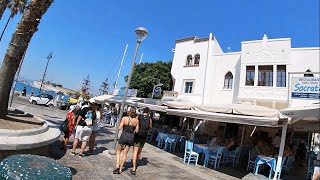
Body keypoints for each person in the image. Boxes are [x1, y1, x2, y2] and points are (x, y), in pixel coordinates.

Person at [113, 107, 139, 174]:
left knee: (118, 151)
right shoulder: (136, 121)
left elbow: (119, 127)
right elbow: (137, 131)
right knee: (125, 153)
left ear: (129, 112)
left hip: (124, 135)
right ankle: (121, 168)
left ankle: (117, 166)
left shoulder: (124, 118)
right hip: (131, 137)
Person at [132, 107, 152, 175]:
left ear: (143, 111)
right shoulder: (150, 119)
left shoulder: (139, 116)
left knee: (135, 151)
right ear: (148, 112)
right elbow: (150, 127)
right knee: (139, 152)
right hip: (144, 137)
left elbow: (135, 124)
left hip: (137, 136)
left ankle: (134, 167)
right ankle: (136, 163)